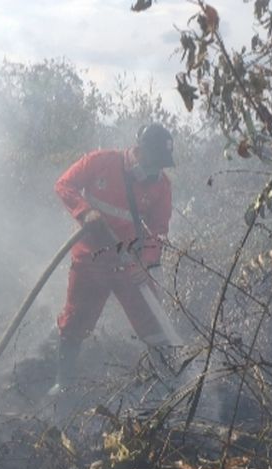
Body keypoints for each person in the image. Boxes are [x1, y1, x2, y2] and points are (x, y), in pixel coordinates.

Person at [50, 123, 175, 395]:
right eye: (154, 163)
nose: (157, 171)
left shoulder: (161, 186)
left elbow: (159, 230)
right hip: (90, 261)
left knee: (152, 321)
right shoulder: (102, 162)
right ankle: (63, 383)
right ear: (139, 152)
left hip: (130, 264)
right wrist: (84, 211)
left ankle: (169, 386)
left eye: (162, 166)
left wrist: (146, 262)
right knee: (76, 320)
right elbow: (64, 184)